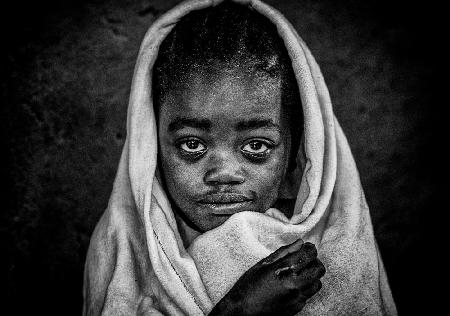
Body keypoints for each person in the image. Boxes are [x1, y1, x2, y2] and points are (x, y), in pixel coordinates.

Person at [83, 1, 397, 315]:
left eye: (257, 147)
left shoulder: (340, 253)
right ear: (150, 146)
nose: (223, 173)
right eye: (192, 144)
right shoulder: (124, 253)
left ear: (296, 151)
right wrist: (239, 310)